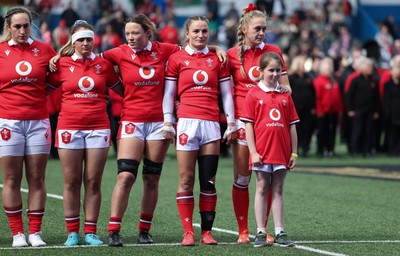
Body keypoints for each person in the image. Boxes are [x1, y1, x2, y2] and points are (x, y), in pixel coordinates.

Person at [99, 14, 227, 246]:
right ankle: (113, 229)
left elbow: (195, 46)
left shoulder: (165, 50)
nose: (130, 37)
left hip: (159, 123)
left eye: (135, 33)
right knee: (126, 175)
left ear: (147, 33)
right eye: (127, 33)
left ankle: (144, 230)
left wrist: (216, 47)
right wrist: (61, 54)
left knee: (151, 178)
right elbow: (89, 56)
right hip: (132, 121)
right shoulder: (118, 52)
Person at [46, 20, 123, 246]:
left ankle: (90, 232)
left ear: (94, 40)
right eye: (81, 39)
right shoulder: (61, 64)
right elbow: (41, 89)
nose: (86, 43)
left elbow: (124, 89)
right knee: (71, 182)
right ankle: (72, 232)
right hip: (69, 127)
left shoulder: (103, 65)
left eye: (89, 39)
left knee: (93, 181)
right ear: (73, 42)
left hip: (98, 127)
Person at [162, 15, 236, 246]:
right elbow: (168, 93)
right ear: (187, 34)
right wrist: (167, 121)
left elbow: (226, 94)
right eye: (196, 31)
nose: (200, 35)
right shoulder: (176, 59)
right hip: (186, 123)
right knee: (186, 179)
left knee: (209, 181)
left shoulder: (217, 59)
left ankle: (206, 232)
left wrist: (231, 122)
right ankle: (188, 232)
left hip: (211, 124)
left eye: (204, 31)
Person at [226, 3, 290, 244]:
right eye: (257, 28)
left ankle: (264, 229)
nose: (262, 33)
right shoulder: (231, 54)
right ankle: (244, 230)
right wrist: (231, 123)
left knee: (269, 178)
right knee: (243, 178)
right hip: (245, 125)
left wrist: (281, 91)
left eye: (264, 28)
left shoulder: (274, 51)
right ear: (244, 28)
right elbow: (225, 90)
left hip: (269, 126)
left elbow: (287, 88)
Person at [0, 6, 56, 247]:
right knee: (12, 179)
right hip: (8, 122)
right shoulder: (0, 52)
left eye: (26, 26)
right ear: (8, 28)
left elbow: (54, 82)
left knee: (37, 178)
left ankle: (35, 232)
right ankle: (17, 234)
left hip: (38, 122)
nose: (22, 31)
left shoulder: (45, 50)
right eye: (17, 27)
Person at [240, 52, 298, 247]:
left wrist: (294, 153)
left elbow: (291, 125)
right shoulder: (253, 94)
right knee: (262, 187)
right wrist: (253, 151)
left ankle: (280, 231)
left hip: (281, 152)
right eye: (270, 70)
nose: (274, 74)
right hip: (262, 152)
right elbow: (248, 126)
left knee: (279, 188)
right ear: (261, 71)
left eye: (278, 70)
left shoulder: (285, 95)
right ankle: (260, 231)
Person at [313, 57, 343, 157]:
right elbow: (317, 97)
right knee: (322, 131)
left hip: (333, 111)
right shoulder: (318, 81)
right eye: (328, 70)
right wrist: (319, 110)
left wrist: (339, 109)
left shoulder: (334, 81)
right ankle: (320, 150)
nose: (330, 71)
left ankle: (331, 149)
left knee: (332, 132)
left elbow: (337, 96)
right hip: (323, 111)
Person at [383, 55, 400, 156]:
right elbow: (386, 99)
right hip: (392, 112)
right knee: (392, 133)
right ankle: (391, 150)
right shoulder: (387, 84)